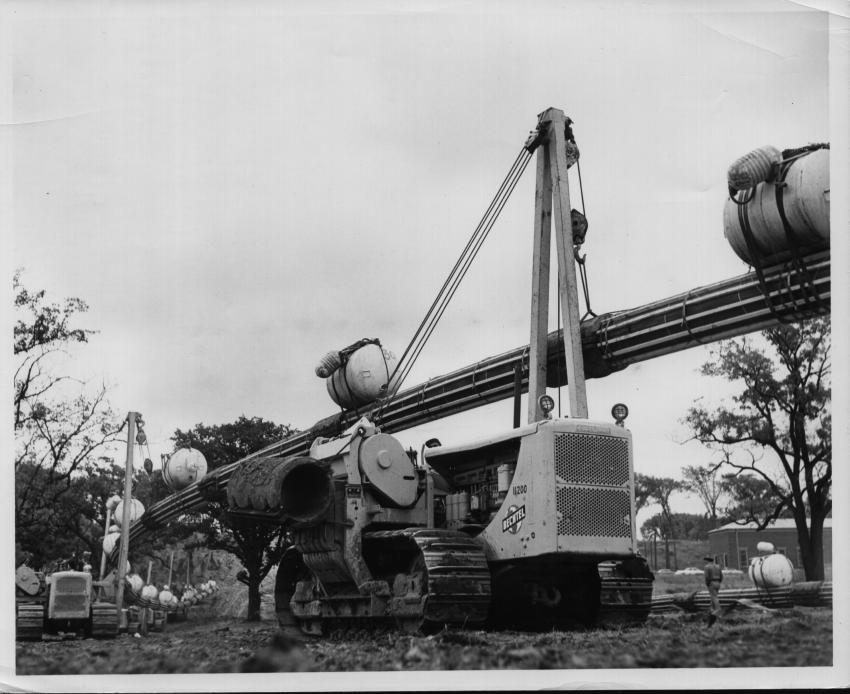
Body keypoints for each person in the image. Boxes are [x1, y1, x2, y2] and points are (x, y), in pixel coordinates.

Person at [704, 555, 723, 626]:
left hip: (711, 583)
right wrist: (719, 582)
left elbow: (706, 577)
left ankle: (718, 611)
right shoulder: (718, 566)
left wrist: (707, 584)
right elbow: (721, 576)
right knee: (713, 597)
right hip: (718, 582)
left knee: (714, 597)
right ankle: (711, 610)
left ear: (708, 561)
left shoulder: (707, 567)